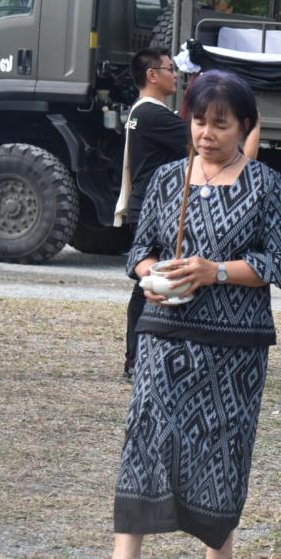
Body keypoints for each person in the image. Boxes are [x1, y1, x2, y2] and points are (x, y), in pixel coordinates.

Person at [81, 71, 281, 559]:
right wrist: (149, 276)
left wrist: (215, 271)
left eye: (220, 124)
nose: (207, 133)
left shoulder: (265, 184)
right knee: (146, 436)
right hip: (164, 331)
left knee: (222, 445)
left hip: (235, 343)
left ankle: (218, 550)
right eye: (199, 121)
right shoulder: (167, 179)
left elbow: (280, 265)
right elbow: (138, 251)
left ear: (245, 126)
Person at [112, 48, 189, 378]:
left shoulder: (139, 112)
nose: (176, 75)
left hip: (144, 205)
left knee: (146, 282)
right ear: (151, 75)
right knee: (149, 283)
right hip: (154, 209)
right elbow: (198, 140)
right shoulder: (155, 115)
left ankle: (137, 356)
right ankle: (137, 359)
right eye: (170, 69)